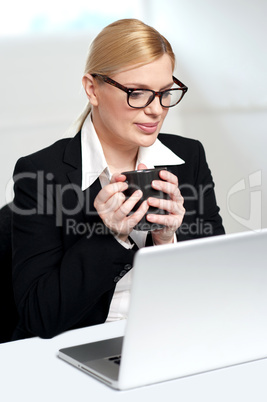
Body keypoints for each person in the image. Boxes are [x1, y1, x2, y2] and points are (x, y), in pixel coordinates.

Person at [11, 18, 225, 341]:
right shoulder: (41, 174)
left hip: (167, 340)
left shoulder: (188, 159)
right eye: (138, 93)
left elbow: (219, 290)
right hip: (78, 349)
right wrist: (108, 236)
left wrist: (168, 242)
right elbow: (40, 317)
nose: (156, 110)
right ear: (92, 89)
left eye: (165, 93)